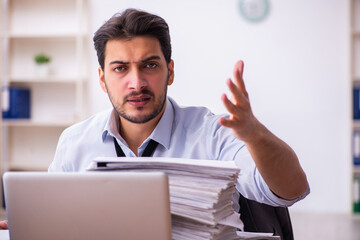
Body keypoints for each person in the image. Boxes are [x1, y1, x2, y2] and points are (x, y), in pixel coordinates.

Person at [0, 8, 309, 230]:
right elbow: (56, 222)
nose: (136, 83)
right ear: (102, 79)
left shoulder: (213, 133)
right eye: (120, 68)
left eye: (149, 65)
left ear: (170, 71)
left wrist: (254, 134)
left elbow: (290, 191)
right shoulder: (74, 142)